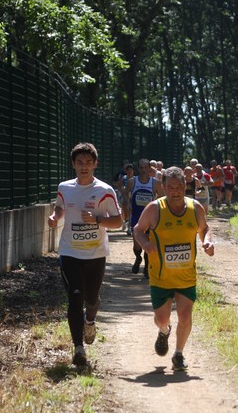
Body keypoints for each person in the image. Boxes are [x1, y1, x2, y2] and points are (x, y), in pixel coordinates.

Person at [48, 142, 123, 367]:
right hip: (70, 252)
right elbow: (60, 206)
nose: (84, 166)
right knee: (74, 297)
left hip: (95, 254)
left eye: (88, 162)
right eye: (80, 162)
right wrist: (55, 217)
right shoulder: (65, 187)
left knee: (91, 299)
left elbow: (118, 222)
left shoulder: (105, 191)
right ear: (73, 164)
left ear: (95, 164)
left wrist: (98, 219)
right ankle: (78, 348)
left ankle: (90, 321)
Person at [133, 166, 215, 371]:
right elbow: (138, 229)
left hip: (187, 276)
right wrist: (145, 243)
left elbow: (205, 229)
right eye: (171, 187)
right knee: (161, 319)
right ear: (163, 187)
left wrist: (207, 242)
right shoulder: (154, 208)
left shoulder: (195, 208)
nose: (175, 191)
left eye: (179, 186)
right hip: (161, 276)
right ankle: (164, 331)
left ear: (185, 186)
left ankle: (179, 354)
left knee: (186, 315)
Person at [123, 158, 164, 278]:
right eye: (141, 168)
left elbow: (163, 197)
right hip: (136, 216)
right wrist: (128, 203)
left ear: (149, 169)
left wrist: (157, 206)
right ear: (138, 169)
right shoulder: (132, 181)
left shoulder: (155, 183)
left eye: (145, 167)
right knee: (137, 245)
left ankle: (147, 268)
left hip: (150, 218)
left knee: (148, 242)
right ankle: (137, 257)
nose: (143, 170)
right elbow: (125, 193)